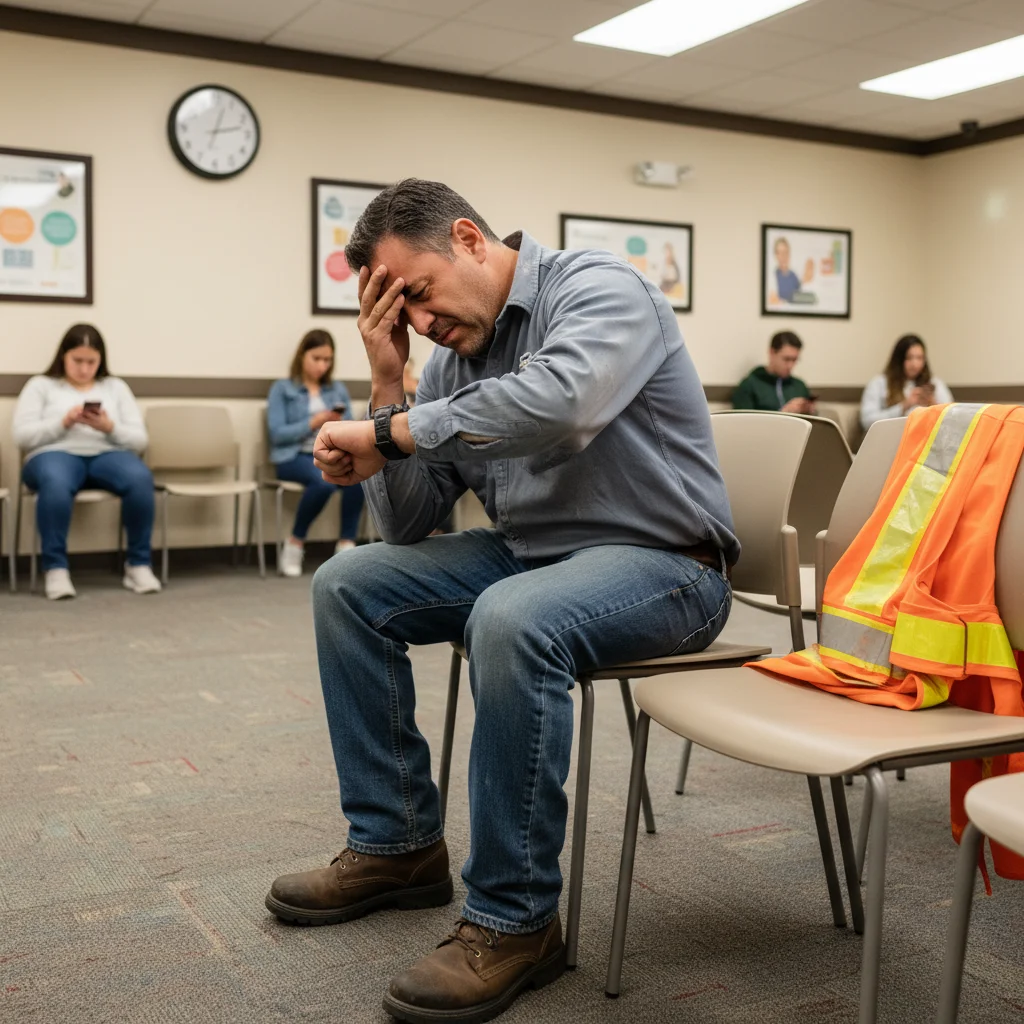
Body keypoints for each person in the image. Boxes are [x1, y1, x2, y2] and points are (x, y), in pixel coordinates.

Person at [264, 179, 738, 1023]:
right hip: (531, 555)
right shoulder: (444, 359)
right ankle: (399, 845)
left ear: (470, 240)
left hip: (668, 565)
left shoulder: (598, 289)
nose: (416, 319)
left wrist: (389, 435)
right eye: (392, 310)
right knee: (349, 584)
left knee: (512, 618)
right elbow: (407, 523)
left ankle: (515, 921)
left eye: (415, 292)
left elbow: (563, 406)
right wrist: (387, 385)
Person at [12, 323, 160, 600]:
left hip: (106, 453)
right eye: (77, 360)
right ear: (63, 356)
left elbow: (140, 439)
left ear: (101, 360)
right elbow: (22, 436)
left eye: (91, 362)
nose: (84, 369)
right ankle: (55, 569)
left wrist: (109, 427)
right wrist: (63, 422)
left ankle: (138, 564)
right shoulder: (41, 386)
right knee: (55, 482)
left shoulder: (115, 387)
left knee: (140, 478)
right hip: (53, 454)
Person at [266, 329, 366, 578]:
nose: (322, 365)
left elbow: (352, 427)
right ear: (302, 356)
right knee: (323, 483)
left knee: (359, 477)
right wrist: (315, 421)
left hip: (330, 452)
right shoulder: (282, 389)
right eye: (317, 358)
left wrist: (339, 424)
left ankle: (346, 546)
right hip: (293, 456)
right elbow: (277, 434)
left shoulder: (336, 389)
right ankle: (295, 543)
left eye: (327, 360)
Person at [860, 334, 952, 431]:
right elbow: (867, 421)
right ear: (899, 360)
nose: (915, 364)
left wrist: (934, 405)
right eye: (909, 358)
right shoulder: (879, 383)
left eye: (919, 358)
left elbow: (952, 418)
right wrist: (904, 406)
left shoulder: (935, 383)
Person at [733, 331, 816, 413]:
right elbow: (744, 423)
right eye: (786, 359)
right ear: (772, 352)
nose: (790, 366)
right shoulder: (749, 386)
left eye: (794, 360)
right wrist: (783, 413)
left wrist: (810, 411)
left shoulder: (799, 386)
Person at [768, 236, 813, 305]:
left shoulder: (794, 276)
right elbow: (773, 301)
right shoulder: (773, 276)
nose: (783, 256)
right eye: (780, 253)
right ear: (776, 255)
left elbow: (799, 296)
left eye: (785, 252)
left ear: (789, 254)